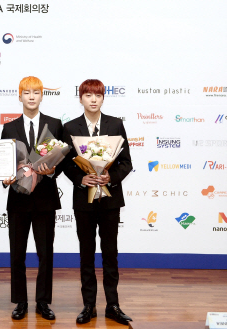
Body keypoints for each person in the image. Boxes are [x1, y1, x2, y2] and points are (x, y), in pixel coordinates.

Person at [61, 79, 133, 326]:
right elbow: (65, 164)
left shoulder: (115, 124)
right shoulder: (70, 127)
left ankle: (113, 305)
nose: (93, 100)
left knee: (110, 253)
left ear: (103, 98)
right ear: (80, 98)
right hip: (84, 200)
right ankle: (88, 305)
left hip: (110, 200)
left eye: (98, 95)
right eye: (88, 95)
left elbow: (126, 162)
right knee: (86, 253)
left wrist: (110, 177)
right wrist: (81, 178)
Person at [0, 76, 64, 321]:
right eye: (26, 92)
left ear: (41, 96)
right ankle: (21, 301)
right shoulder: (9, 127)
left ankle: (43, 301)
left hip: (45, 199)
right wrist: (5, 177)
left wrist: (53, 170)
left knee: (45, 253)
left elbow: (63, 159)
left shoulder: (54, 124)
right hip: (18, 199)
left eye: (36, 92)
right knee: (17, 254)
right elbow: (4, 161)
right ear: (20, 96)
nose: (31, 96)